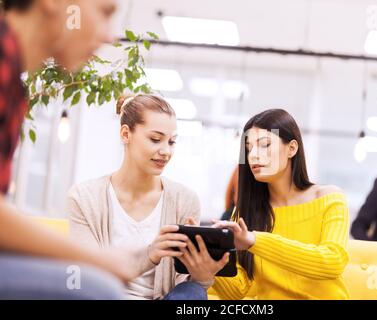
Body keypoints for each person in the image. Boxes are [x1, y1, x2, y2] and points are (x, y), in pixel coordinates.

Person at [0, 0, 153, 299]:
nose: (110, 36)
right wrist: (98, 259)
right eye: (104, 13)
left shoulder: (15, 84)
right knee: (96, 291)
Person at [67, 94, 229, 300]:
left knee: (193, 292)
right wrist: (149, 255)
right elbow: (83, 277)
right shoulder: (84, 198)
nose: (166, 151)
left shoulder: (185, 200)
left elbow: (184, 287)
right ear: (126, 134)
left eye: (171, 142)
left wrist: (202, 276)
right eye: (155, 139)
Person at [211, 109, 350, 300]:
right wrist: (211, 265)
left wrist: (255, 241)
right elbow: (238, 291)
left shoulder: (329, 198)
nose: (253, 156)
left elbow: (332, 262)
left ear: (292, 148)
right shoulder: (245, 212)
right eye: (249, 148)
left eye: (265, 145)